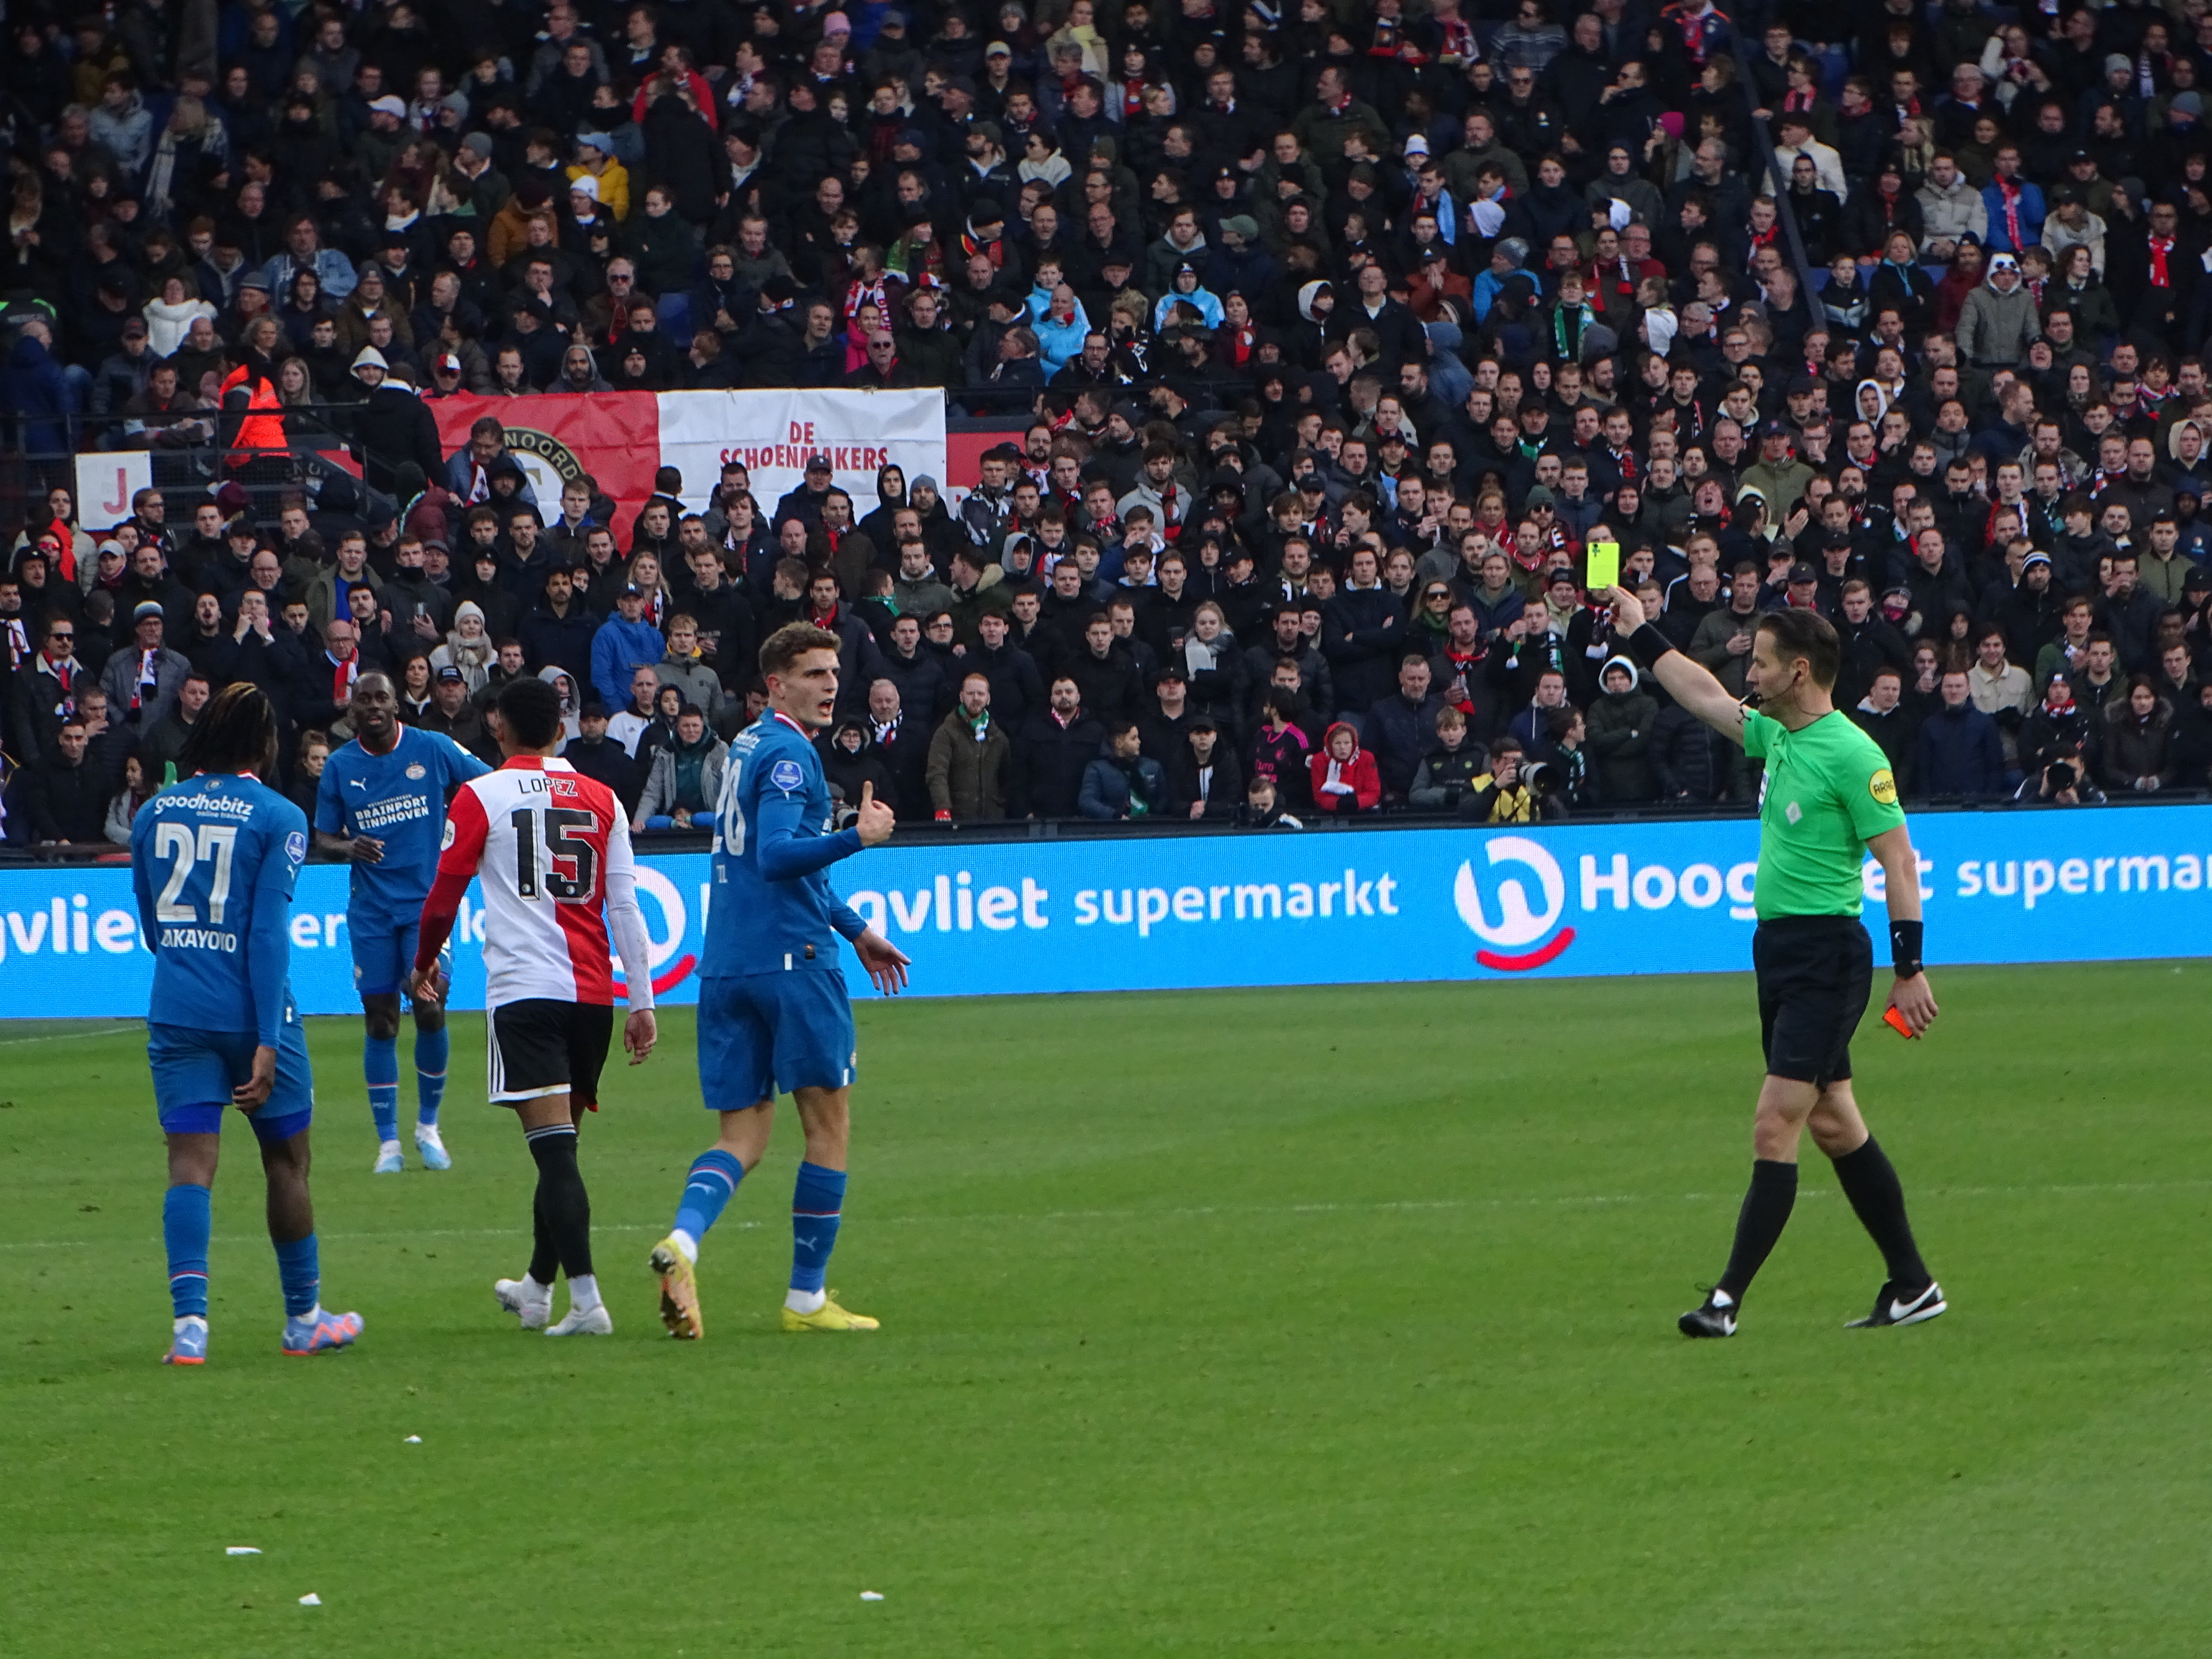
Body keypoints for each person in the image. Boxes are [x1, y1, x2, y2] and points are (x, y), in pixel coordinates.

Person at [1604, 585, 1945, 1339]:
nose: (1746, 672)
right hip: (1780, 955)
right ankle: (1914, 1284)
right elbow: (1701, 694)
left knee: (1774, 1124)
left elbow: (1900, 863)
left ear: (1798, 672)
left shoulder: (1855, 754)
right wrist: (1638, 629)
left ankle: (1725, 1300)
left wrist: (1909, 967)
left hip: (1829, 957)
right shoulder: (1779, 735)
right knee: (1834, 1124)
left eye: (1760, 663)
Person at [647, 622, 911, 1340]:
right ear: (776, 685)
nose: (831, 684)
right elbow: (777, 856)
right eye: (814, 674)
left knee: (743, 1137)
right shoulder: (792, 755)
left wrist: (856, 929)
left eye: (834, 672)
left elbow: (773, 864)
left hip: (727, 964)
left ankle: (683, 1243)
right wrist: (857, 835)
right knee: (828, 1130)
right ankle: (806, 1298)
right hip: (793, 964)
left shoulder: (746, 749)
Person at [410, 675, 659, 1338]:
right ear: (562, 729)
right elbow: (627, 907)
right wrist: (642, 1000)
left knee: (554, 1156)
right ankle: (538, 1291)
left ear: (499, 727)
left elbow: (443, 895)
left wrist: (423, 961)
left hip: (525, 993)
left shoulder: (480, 795)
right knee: (561, 1150)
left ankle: (588, 1304)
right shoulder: (602, 796)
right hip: (592, 997)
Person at [130, 683, 363, 1366]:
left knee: (189, 1166)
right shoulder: (279, 815)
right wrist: (265, 1038)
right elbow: (267, 934)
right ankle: (303, 1320)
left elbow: (150, 921)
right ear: (265, 745)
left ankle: (190, 1329)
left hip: (178, 1008)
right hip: (257, 1015)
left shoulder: (154, 811)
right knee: (287, 1161)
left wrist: (187, 962)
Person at [313, 672, 490, 1173]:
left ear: (397, 705)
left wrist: (461, 830)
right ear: (351, 710)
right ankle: (388, 1143)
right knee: (381, 1020)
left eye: (381, 698)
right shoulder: (341, 766)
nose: (373, 707)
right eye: (363, 699)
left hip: (426, 905)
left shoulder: (432, 748)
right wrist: (350, 846)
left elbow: (490, 783)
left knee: (430, 1006)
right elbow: (324, 836)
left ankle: (428, 1128)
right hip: (370, 910)